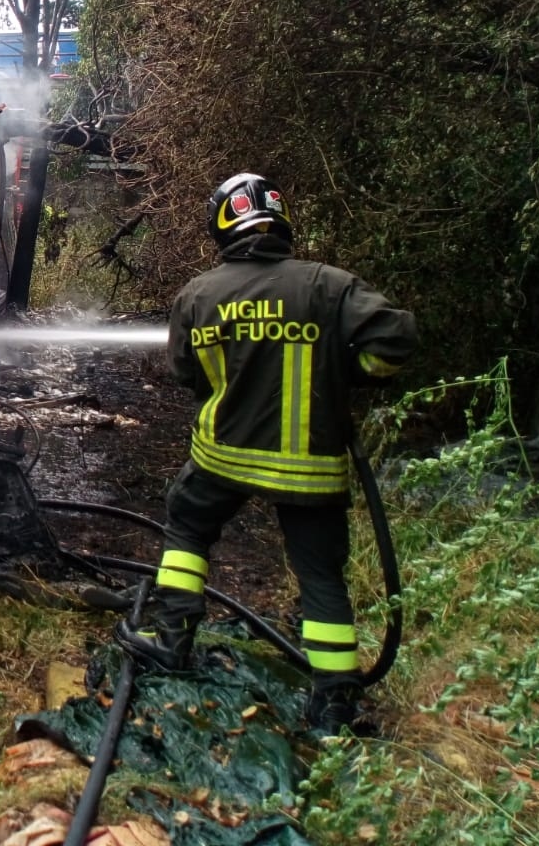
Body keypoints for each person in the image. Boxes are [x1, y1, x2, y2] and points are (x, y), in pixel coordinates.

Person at [116, 173, 418, 734]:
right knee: (320, 573)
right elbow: (394, 343)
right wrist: (347, 368)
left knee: (187, 523)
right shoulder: (328, 286)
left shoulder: (199, 294)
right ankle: (334, 703)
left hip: (223, 455)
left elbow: (185, 374)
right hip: (310, 463)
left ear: (223, 226)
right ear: (281, 222)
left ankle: (171, 638)